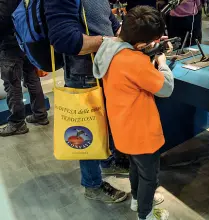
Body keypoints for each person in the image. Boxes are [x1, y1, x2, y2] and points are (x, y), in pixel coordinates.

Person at [93, 6, 174, 220]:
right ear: (141, 44)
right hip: (142, 133)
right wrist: (162, 64)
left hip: (122, 129)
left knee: (136, 168)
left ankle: (137, 200)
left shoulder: (109, 48)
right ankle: (145, 215)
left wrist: (147, 48)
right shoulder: (135, 61)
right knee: (149, 177)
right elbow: (165, 88)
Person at [44, 0, 127, 202]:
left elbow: (109, 21)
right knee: (86, 131)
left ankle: (107, 161)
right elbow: (65, 40)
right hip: (83, 73)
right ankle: (92, 185)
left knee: (104, 124)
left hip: (105, 68)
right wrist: (111, 41)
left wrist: (126, 33)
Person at [0, 0, 49, 137]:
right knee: (32, 78)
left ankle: (17, 123)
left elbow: (2, 19)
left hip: (10, 44)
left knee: (12, 84)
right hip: (27, 40)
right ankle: (40, 115)